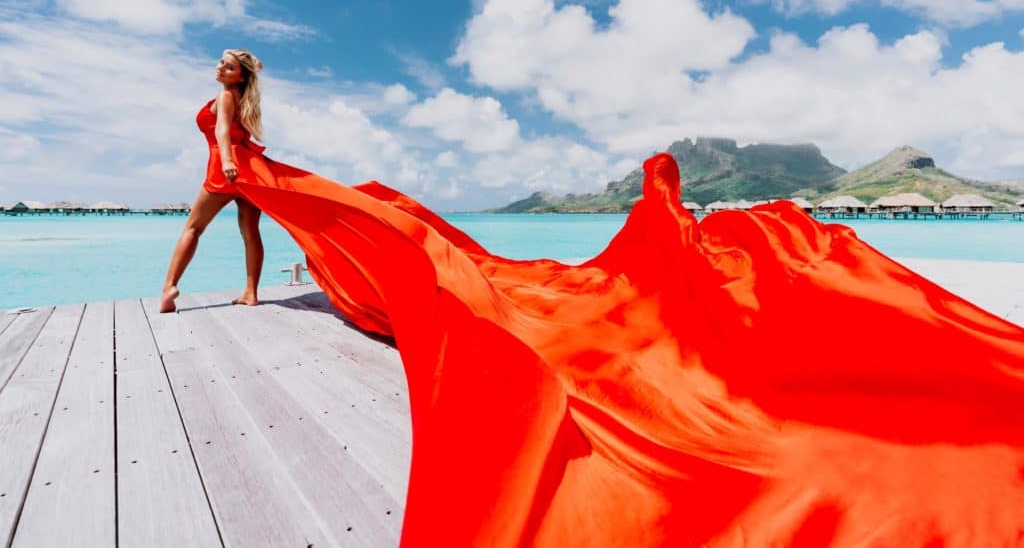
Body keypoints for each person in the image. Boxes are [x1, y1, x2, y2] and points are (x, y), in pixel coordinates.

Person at [159, 49, 1024, 546]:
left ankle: (181, 292)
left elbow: (231, 149)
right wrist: (242, 168)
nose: (227, 78)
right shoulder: (240, 103)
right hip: (243, 177)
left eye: (229, 72)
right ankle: (207, 288)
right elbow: (234, 152)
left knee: (236, 232)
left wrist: (237, 165)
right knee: (239, 231)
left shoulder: (231, 104)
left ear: (233, 76)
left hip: (236, 177)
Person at [159, 49, 265, 313]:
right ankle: (251, 293)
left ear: (239, 77)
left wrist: (228, 161)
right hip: (252, 169)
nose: (220, 68)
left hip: (225, 167)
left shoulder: (226, 95)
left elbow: (222, 130)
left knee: (193, 229)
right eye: (221, 62)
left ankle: (169, 287)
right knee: (250, 233)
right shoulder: (245, 97)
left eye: (228, 67)